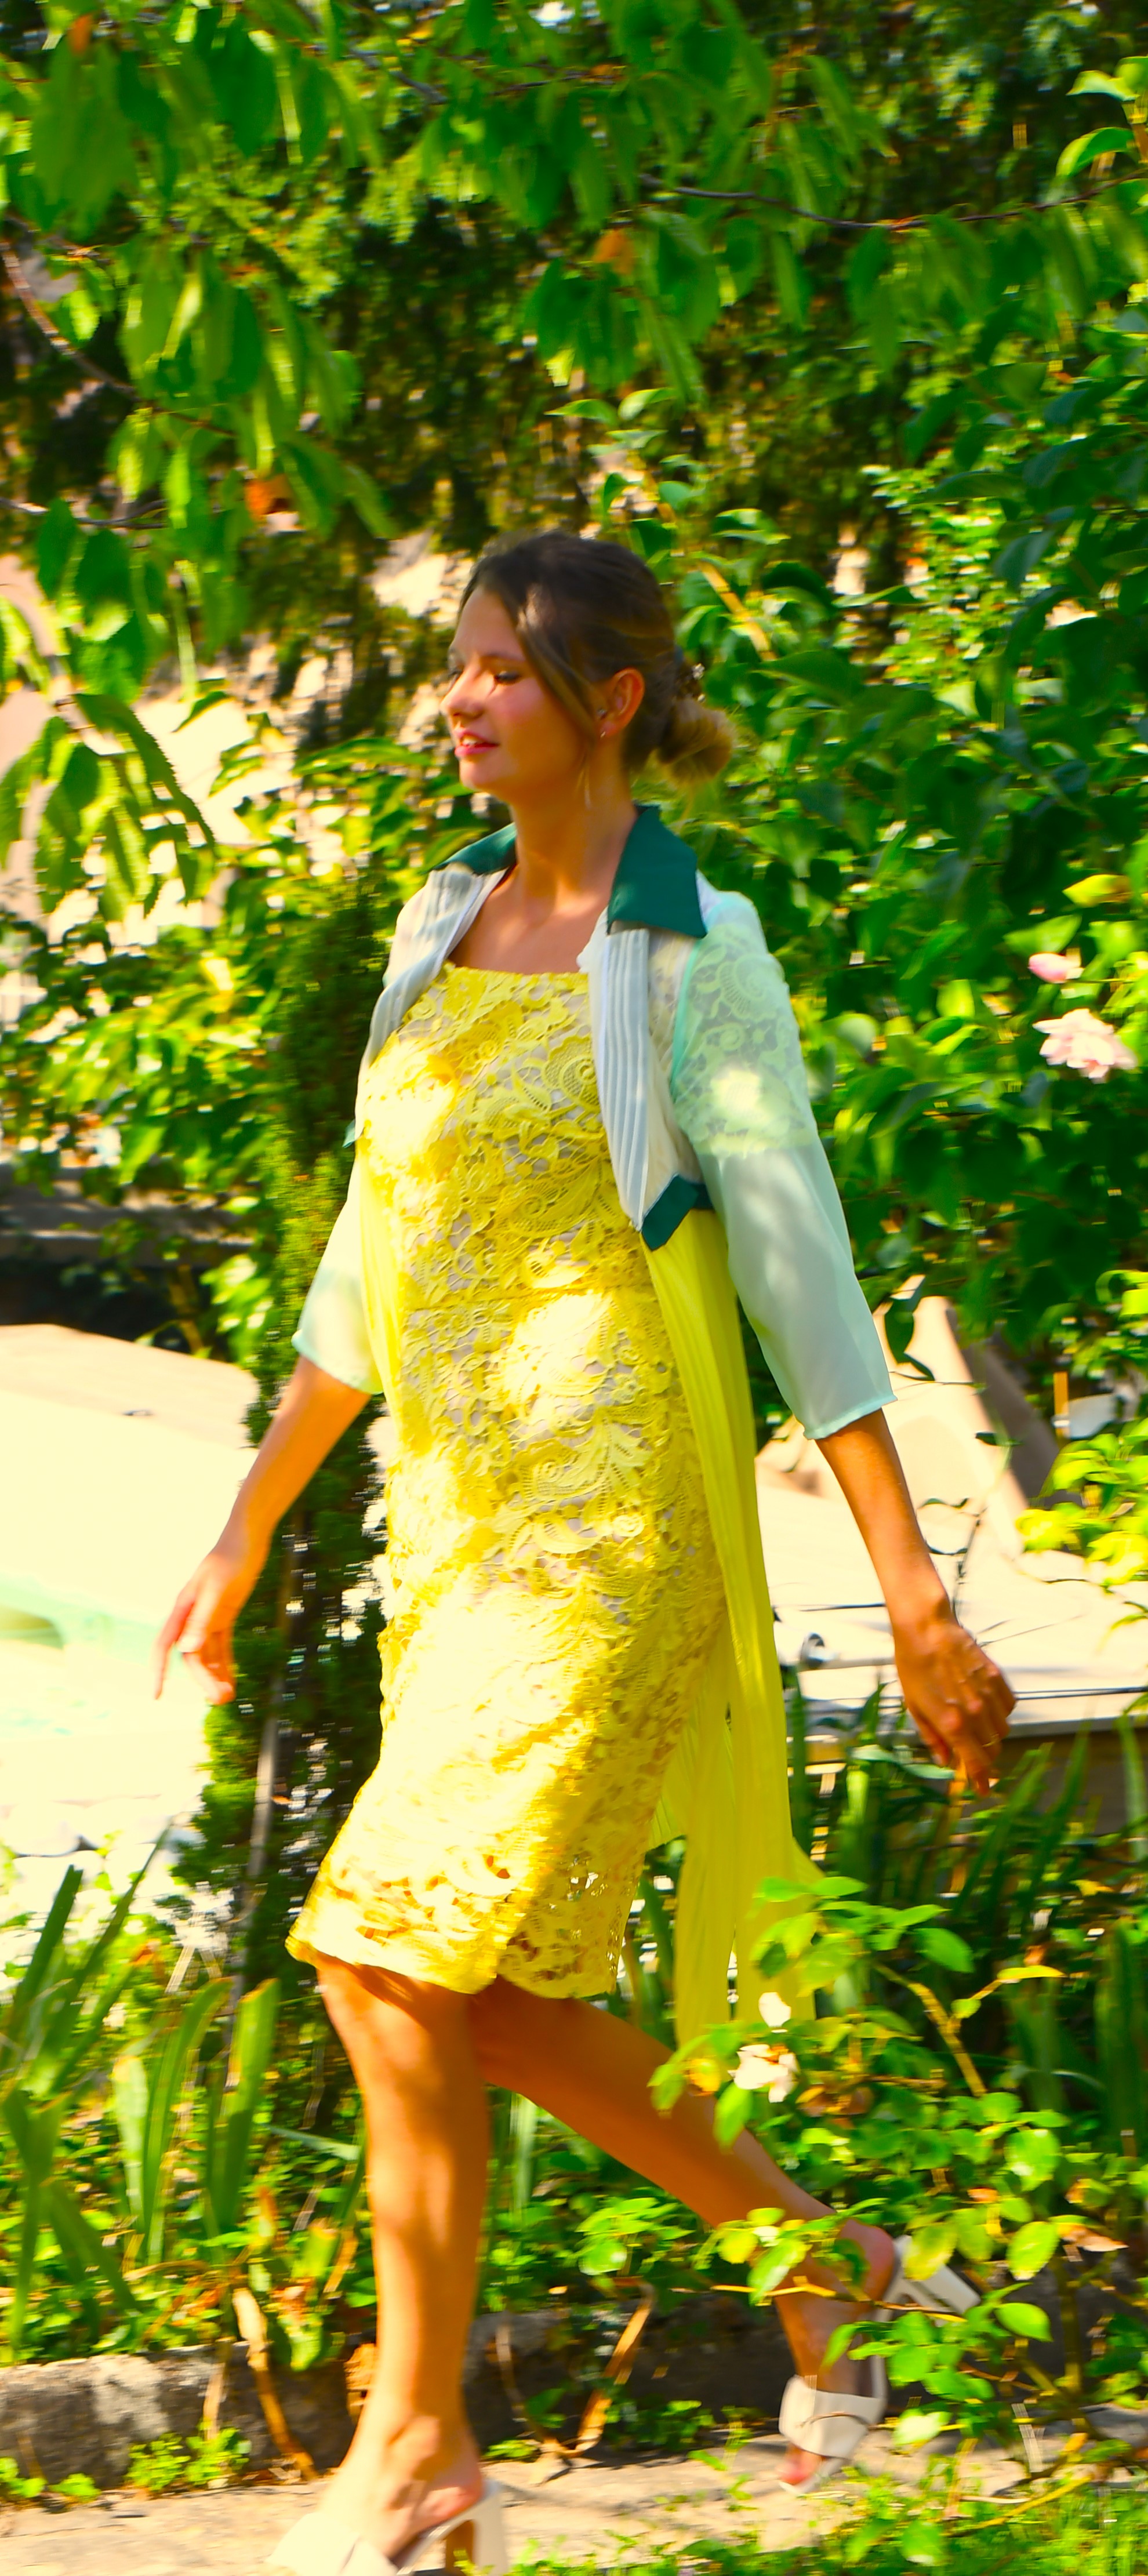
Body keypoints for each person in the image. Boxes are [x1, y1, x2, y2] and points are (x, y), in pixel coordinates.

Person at [157, 531, 1013, 2575]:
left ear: (609, 701)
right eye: (456, 667)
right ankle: (830, 2265)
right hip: (459, 1540)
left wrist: (910, 1586)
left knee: (379, 1942)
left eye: (503, 672)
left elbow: (801, 1275)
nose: (462, 701)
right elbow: (370, 1258)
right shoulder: (437, 918)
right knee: (491, 2000)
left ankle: (412, 2444)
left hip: (614, 1530)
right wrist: (248, 1523)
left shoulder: (692, 953)